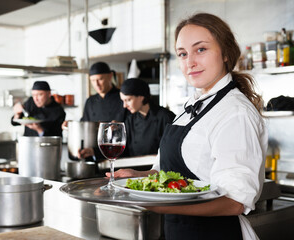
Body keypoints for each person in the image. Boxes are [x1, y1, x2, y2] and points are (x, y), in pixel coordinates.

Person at [110, 13, 268, 240]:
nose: (189, 62)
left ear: (225, 53)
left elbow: (234, 202)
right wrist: (139, 176)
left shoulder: (235, 113)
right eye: (182, 54)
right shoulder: (190, 108)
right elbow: (166, 174)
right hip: (178, 231)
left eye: (201, 49)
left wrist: (157, 207)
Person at [77, 62, 127, 159]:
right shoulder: (90, 101)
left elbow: (130, 126)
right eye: (93, 80)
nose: (97, 84)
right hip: (93, 153)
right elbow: (84, 125)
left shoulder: (122, 98)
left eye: (100, 79)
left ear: (110, 76)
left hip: (118, 153)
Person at [120, 78, 175, 157]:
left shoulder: (165, 117)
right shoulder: (130, 120)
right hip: (135, 167)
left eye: (128, 100)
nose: (124, 105)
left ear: (141, 97)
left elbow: (173, 149)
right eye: (123, 100)